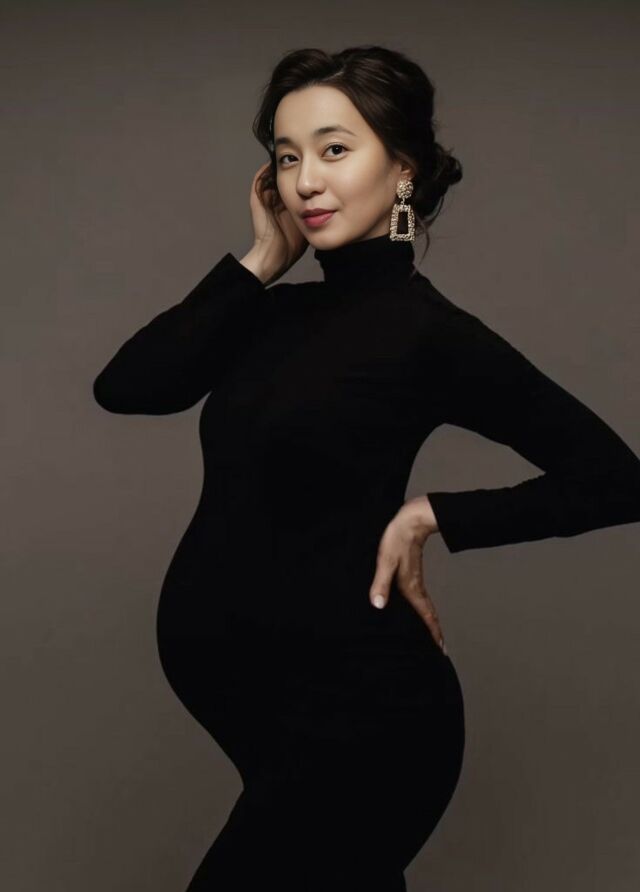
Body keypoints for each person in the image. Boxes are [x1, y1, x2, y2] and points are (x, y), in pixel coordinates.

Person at [92, 45, 640, 892]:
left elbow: (616, 478)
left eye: (335, 149)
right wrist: (259, 262)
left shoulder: (427, 332)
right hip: (270, 725)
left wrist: (435, 516)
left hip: (369, 722)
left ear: (404, 168)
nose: (306, 180)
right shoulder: (268, 314)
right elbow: (127, 387)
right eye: (286, 157)